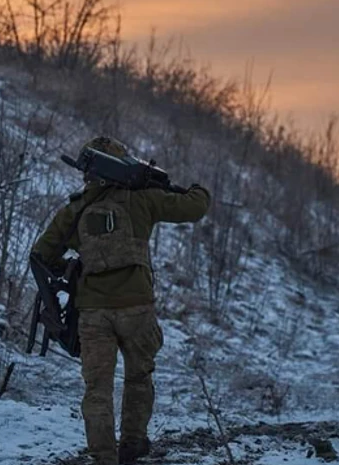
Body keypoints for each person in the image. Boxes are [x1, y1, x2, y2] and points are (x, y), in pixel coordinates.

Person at [32, 136, 211, 465]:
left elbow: (41, 254)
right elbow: (196, 207)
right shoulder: (142, 200)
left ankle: (103, 456)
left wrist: (72, 270)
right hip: (136, 309)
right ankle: (132, 445)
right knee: (139, 376)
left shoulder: (75, 209)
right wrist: (197, 188)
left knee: (96, 388)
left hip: (93, 314)